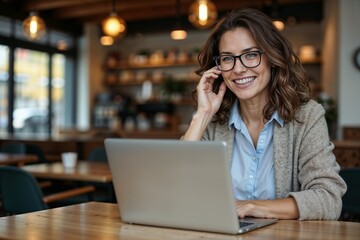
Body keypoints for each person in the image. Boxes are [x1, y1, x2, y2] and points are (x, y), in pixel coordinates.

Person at [182, 8, 347, 220]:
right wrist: (202, 115)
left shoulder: (307, 117)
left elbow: (328, 200)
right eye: (227, 58)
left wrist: (250, 207)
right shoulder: (213, 121)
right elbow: (178, 187)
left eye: (250, 55)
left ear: (272, 57)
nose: (238, 69)